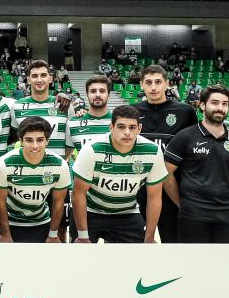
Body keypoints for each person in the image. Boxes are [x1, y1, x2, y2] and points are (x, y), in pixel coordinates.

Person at [164, 86, 229, 243]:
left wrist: (226, 198)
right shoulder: (185, 136)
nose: (220, 108)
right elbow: (166, 173)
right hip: (192, 215)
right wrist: (182, 203)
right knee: (193, 259)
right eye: (215, 102)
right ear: (202, 105)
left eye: (225, 104)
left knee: (226, 259)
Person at [71, 105, 167, 244]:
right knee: (80, 254)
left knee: (140, 254)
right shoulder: (92, 149)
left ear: (139, 128)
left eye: (132, 127)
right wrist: (83, 236)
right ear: (111, 127)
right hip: (90, 211)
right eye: (121, 127)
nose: (127, 132)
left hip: (127, 212)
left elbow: (154, 197)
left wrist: (150, 237)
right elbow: (78, 194)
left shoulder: (153, 151)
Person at [132, 65, 197, 243]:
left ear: (167, 84)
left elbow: (194, 147)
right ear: (141, 85)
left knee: (173, 243)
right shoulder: (133, 111)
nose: (153, 87)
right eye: (148, 82)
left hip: (172, 188)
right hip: (140, 188)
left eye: (158, 82)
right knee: (138, 244)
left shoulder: (185, 112)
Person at [0, 117, 72, 243]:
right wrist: (5, 234)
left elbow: (58, 202)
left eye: (40, 140)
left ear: (47, 140)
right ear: (21, 141)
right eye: (29, 140)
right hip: (8, 221)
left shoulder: (60, 165)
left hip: (40, 221)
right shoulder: (4, 163)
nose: (35, 146)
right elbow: (0, 201)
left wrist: (53, 234)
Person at [11, 60, 67, 157]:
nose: (39, 80)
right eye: (35, 76)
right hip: (27, 165)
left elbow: (70, 143)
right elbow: (15, 137)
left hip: (56, 165)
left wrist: (62, 160)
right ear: (28, 80)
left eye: (43, 75)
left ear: (50, 78)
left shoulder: (64, 105)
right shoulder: (17, 106)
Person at [66, 76, 113, 154]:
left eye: (102, 91)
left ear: (109, 94)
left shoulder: (119, 122)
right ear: (87, 94)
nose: (97, 95)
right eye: (93, 91)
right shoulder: (72, 123)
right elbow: (66, 156)